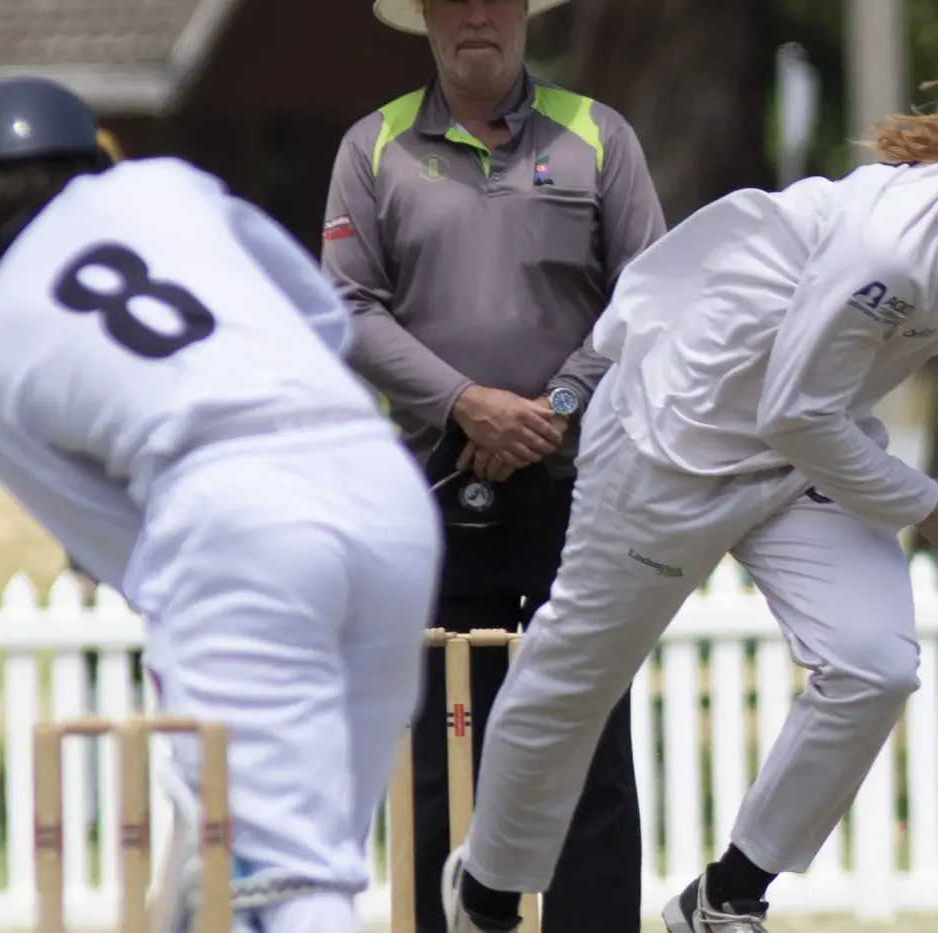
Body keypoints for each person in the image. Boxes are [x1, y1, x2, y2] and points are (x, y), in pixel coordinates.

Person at [440, 28, 938, 933]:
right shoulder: (902, 245)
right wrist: (929, 501)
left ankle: (724, 896)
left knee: (876, 665)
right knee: (578, 672)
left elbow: (808, 411)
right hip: (674, 435)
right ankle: (486, 897)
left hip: (802, 441)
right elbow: (793, 410)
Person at [0, 75, 443, 933]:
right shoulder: (161, 184)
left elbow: (125, 551)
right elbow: (322, 318)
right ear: (94, 156)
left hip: (227, 506)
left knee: (286, 876)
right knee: (309, 862)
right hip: (377, 473)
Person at [321, 1, 666, 931]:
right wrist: (466, 403)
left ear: (521, 14)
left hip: (581, 491)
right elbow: (348, 309)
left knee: (589, 740)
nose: (477, 14)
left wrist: (552, 409)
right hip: (432, 490)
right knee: (441, 746)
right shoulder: (374, 145)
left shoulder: (600, 136)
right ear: (427, 19)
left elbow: (655, 299)